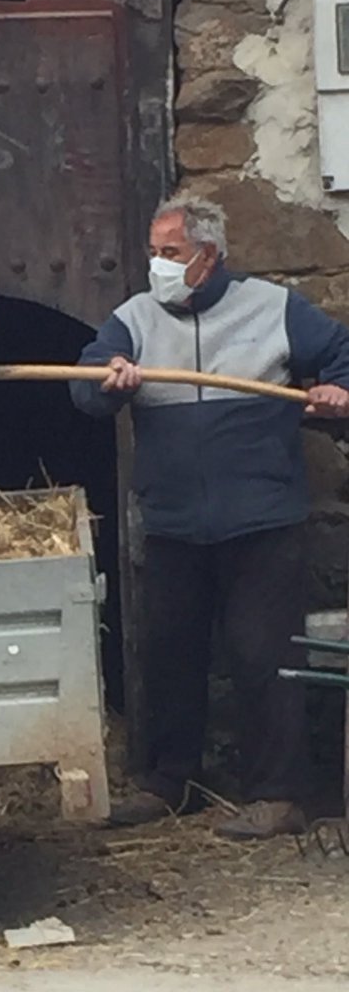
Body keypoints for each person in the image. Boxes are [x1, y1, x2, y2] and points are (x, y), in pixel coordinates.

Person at [71, 194, 349, 840]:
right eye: (153, 253)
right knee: (170, 655)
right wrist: (106, 379)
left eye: (170, 254)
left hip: (263, 520)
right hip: (172, 523)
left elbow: (342, 355)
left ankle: (279, 795)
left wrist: (337, 390)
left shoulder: (275, 309)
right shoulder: (134, 321)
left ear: (208, 258)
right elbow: (83, 388)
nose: (157, 266)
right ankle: (170, 783)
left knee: (264, 656)